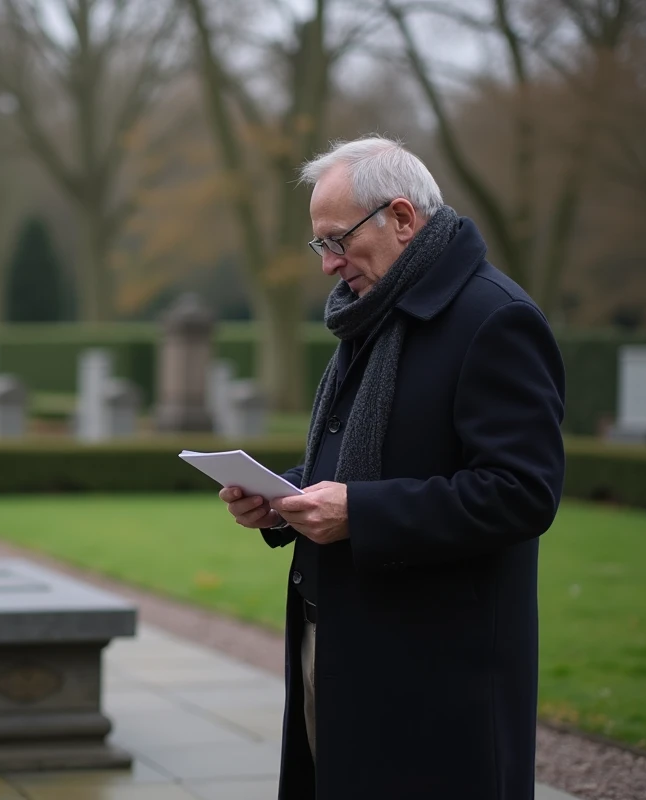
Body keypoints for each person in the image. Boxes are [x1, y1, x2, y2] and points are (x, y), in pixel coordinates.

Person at [220, 135, 566, 800]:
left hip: (434, 674)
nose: (328, 264)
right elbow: (364, 459)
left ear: (402, 218)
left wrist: (359, 513)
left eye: (337, 240)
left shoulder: (496, 318)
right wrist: (284, 497)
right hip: (342, 644)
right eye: (320, 244)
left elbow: (523, 492)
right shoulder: (376, 309)